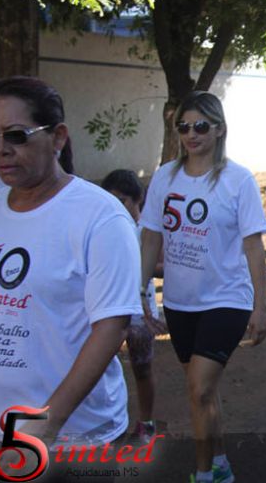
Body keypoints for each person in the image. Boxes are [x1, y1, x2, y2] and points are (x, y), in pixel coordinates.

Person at [0, 77, 141, 477]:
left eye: (16, 135)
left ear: (58, 138)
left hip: (71, 438)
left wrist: (46, 423)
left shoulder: (100, 217)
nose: (0, 149)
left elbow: (112, 326)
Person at [139, 91, 266, 483]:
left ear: (219, 129)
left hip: (227, 299)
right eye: (183, 126)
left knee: (198, 389)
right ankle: (222, 461)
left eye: (200, 126)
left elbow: (253, 245)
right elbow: (150, 238)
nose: (191, 134)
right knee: (204, 393)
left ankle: (203, 474)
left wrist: (260, 307)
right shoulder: (166, 177)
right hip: (181, 302)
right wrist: (138, 294)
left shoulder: (237, 179)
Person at [101, 169, 166, 445]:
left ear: (138, 199)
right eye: (110, 200)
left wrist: (142, 265)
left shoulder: (147, 232)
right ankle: (107, 423)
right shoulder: (102, 228)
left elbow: (163, 267)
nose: (117, 206)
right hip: (107, 312)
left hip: (141, 314)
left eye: (122, 200)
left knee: (142, 369)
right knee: (99, 366)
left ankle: (146, 422)